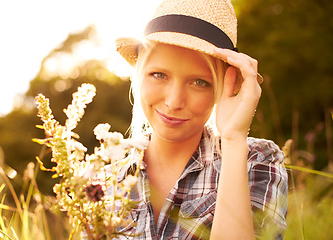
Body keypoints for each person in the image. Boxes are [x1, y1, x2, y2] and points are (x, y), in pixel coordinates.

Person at [111, 0, 288, 239]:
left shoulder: (258, 161)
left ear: (221, 88)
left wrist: (234, 139)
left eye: (199, 82)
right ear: (139, 75)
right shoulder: (105, 177)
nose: (174, 102)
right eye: (159, 75)